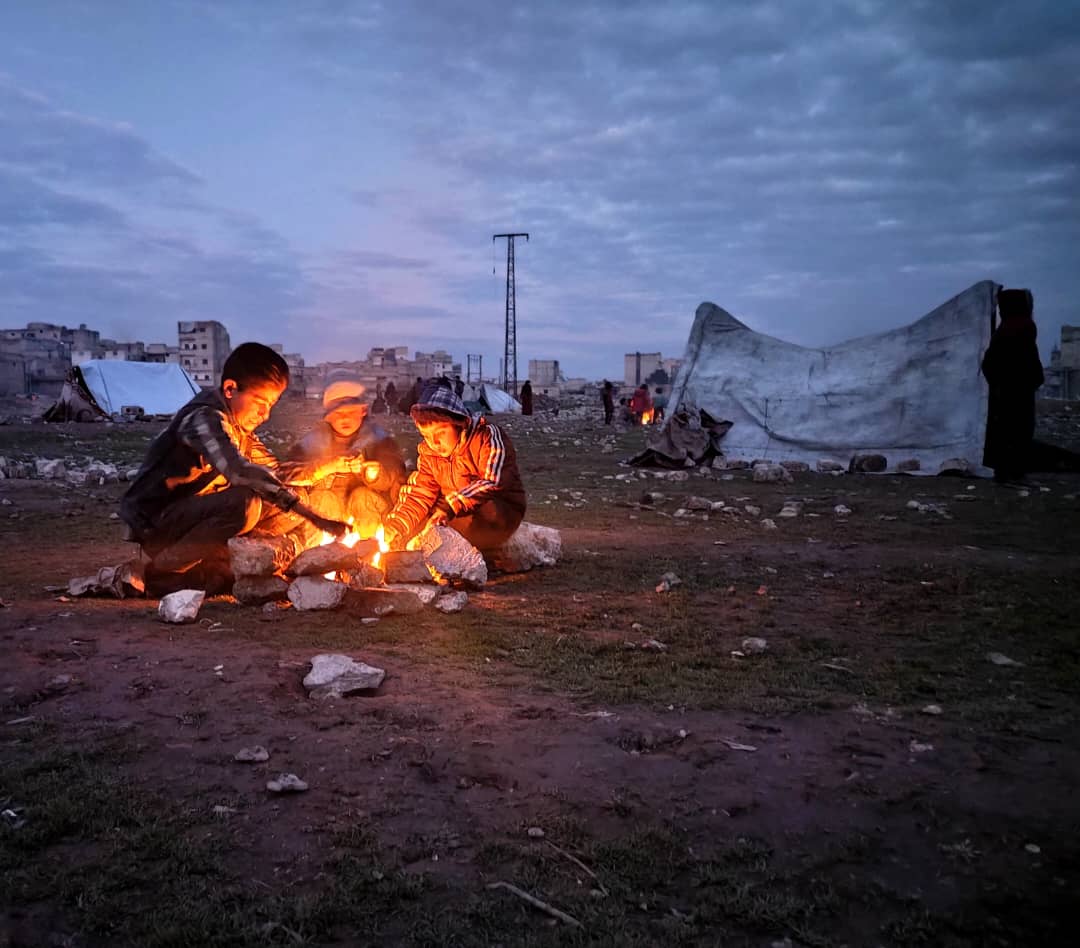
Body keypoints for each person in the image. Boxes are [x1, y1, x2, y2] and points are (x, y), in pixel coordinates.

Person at [119, 343, 325, 596]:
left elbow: (275, 473)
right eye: (260, 402)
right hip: (158, 524)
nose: (265, 414)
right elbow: (239, 471)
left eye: (271, 405)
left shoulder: (240, 431)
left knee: (300, 499)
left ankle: (238, 559)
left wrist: (328, 468)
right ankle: (164, 572)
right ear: (230, 389)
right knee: (245, 503)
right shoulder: (204, 419)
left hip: (199, 518)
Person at [382, 386, 526, 554]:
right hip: (452, 511)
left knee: (463, 522)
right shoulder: (429, 452)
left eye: (440, 433)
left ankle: (464, 557)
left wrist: (448, 508)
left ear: (459, 424)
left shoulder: (486, 437)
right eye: (426, 436)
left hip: (498, 514)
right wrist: (398, 524)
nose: (434, 442)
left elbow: (493, 482)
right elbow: (420, 491)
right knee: (414, 520)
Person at [280, 374, 407, 537]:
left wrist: (376, 474)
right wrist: (325, 468)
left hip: (366, 513)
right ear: (329, 416)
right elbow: (288, 476)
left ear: (363, 411)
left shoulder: (378, 440)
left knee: (363, 497)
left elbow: (395, 473)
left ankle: (366, 555)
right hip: (329, 514)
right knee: (322, 498)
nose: (345, 418)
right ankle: (321, 558)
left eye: (351, 411)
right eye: (339, 413)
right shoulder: (311, 444)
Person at [981, 288, 1045, 483]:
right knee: (1019, 430)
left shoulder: (1005, 329)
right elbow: (1029, 358)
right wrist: (1034, 379)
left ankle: (1003, 472)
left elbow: (989, 363)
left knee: (1003, 431)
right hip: (1019, 390)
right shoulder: (1025, 326)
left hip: (1003, 390)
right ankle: (1014, 473)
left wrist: (997, 383)